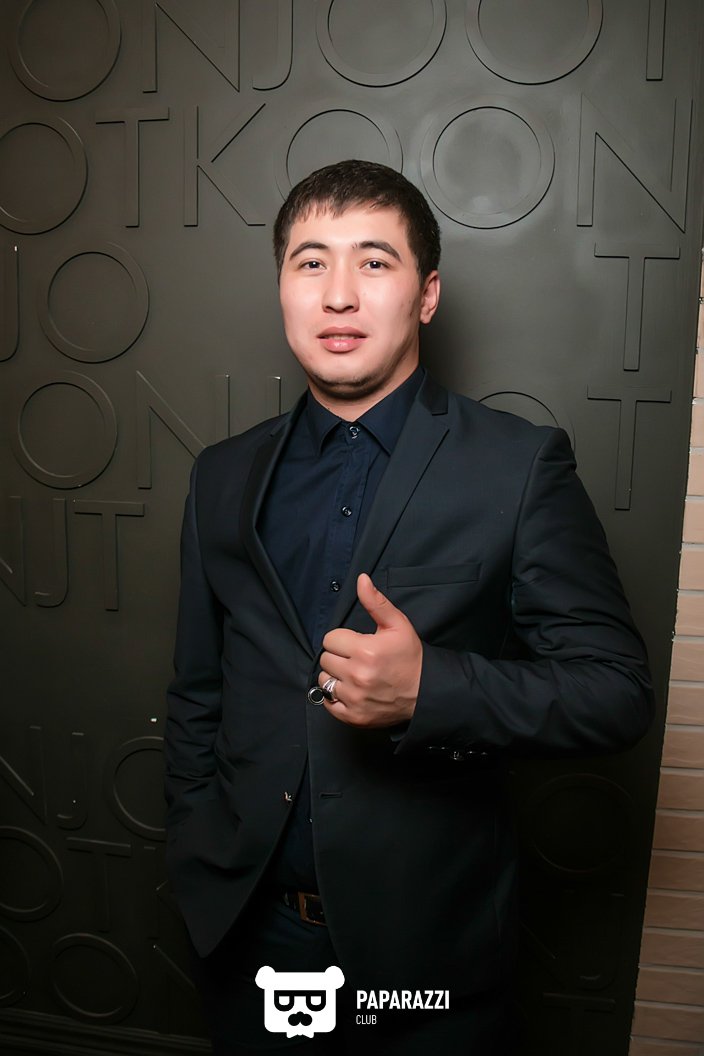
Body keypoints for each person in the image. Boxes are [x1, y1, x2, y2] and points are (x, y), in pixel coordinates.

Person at [164, 159, 653, 1055]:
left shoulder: (518, 467)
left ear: (427, 295)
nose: (338, 294)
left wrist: (434, 690)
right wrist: (197, 842)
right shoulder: (222, 475)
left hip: (425, 951)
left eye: (374, 262)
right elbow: (198, 690)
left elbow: (615, 692)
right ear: (283, 287)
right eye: (311, 262)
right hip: (250, 939)